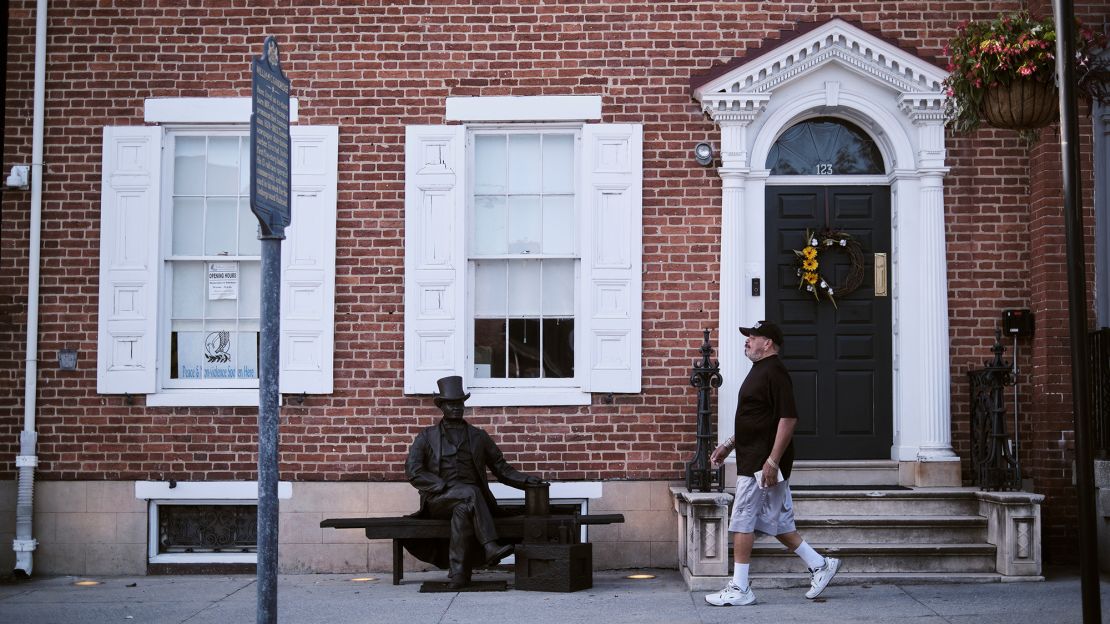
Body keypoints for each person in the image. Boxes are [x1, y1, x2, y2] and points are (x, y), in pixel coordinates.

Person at [704, 321, 841, 606]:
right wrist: (728, 445)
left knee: (742, 520)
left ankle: (740, 588)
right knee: (776, 522)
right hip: (755, 457)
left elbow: (788, 418)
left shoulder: (775, 372)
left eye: (751, 338)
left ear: (767, 343)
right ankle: (820, 565)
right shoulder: (760, 371)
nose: (747, 342)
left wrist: (772, 461)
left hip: (760, 462)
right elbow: (756, 418)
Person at [405, 375, 546, 589]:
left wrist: (527, 480)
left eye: (460, 403)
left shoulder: (478, 437)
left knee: (464, 508)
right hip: (439, 501)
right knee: (469, 492)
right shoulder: (426, 437)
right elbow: (414, 471)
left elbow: (501, 468)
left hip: (472, 503)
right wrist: (441, 485)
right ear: (442, 405)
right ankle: (490, 545)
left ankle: (459, 576)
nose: (456, 407)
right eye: (451, 403)